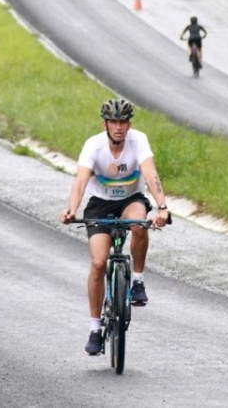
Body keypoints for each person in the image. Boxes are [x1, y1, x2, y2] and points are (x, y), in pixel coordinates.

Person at [59, 98, 170, 355]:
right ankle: (95, 329)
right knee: (98, 262)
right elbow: (80, 182)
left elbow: (150, 173)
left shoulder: (138, 141)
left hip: (131, 200)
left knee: (140, 225)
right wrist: (71, 211)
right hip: (100, 204)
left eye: (123, 122)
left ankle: (138, 282)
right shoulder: (93, 145)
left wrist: (162, 207)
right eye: (113, 122)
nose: (118, 127)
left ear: (129, 124)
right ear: (105, 124)